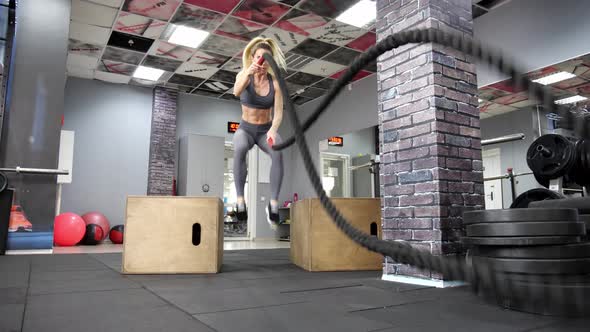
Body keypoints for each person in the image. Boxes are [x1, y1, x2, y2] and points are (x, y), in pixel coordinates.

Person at [232, 37, 288, 226]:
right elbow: (236, 92)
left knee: (278, 150)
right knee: (239, 148)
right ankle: (240, 200)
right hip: (246, 129)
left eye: (266, 60)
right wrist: (248, 72)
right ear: (253, 58)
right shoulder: (243, 75)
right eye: (259, 58)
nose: (262, 63)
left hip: (265, 131)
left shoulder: (275, 83)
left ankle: (273, 203)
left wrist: (273, 130)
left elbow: (278, 113)